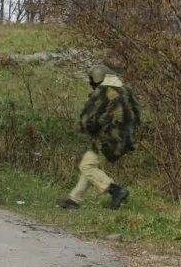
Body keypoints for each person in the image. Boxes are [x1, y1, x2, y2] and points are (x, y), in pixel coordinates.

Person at [59, 65, 141, 210]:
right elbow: (137, 114)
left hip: (109, 137)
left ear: (97, 78)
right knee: (89, 164)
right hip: (126, 138)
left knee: (87, 166)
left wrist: (86, 128)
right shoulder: (125, 90)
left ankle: (115, 190)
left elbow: (88, 118)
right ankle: (74, 200)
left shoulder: (104, 91)